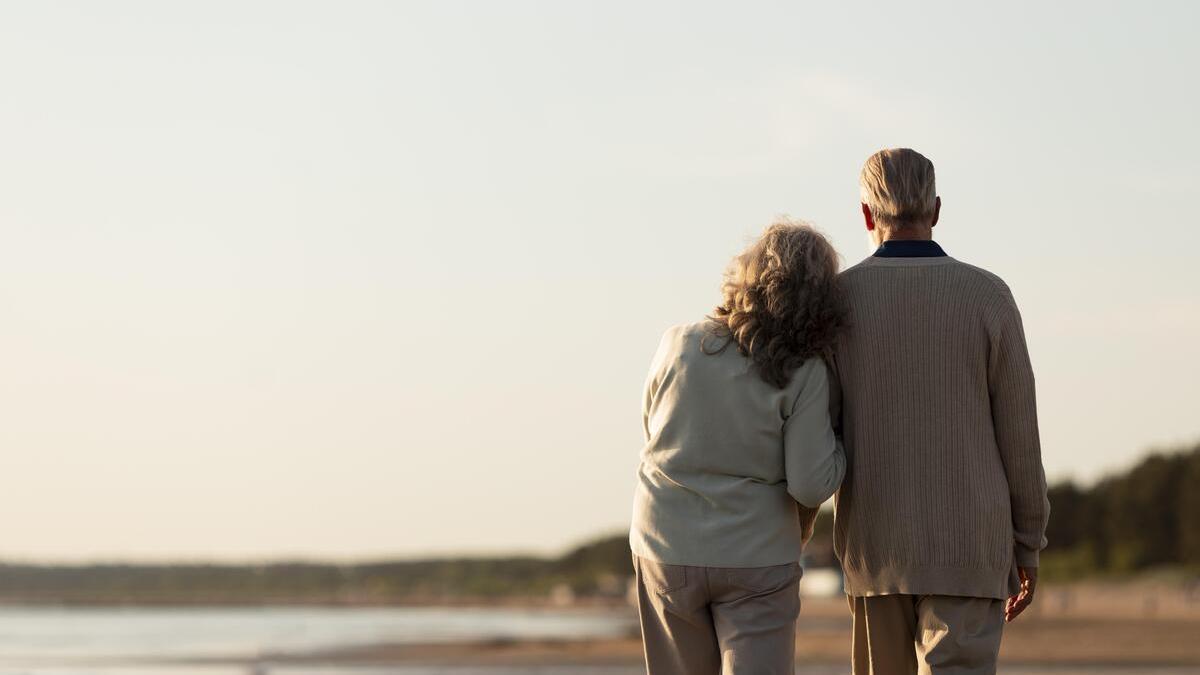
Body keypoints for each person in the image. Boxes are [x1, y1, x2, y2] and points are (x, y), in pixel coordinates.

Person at [834, 148, 1050, 675]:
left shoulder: (837, 301)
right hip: (972, 545)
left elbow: (821, 431)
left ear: (866, 214)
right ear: (935, 209)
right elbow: (1020, 435)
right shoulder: (988, 296)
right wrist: (1029, 543)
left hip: (875, 548)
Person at [629, 220, 848, 675]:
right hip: (756, 556)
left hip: (665, 544)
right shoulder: (804, 370)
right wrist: (842, 449)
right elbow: (810, 485)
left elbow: (652, 429)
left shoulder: (677, 343)